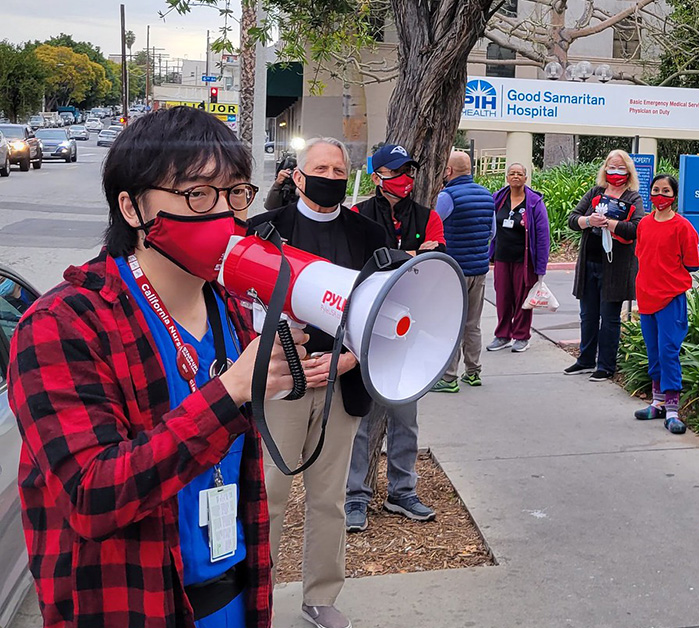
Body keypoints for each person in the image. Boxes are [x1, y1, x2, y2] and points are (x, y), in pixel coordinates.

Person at [10, 106, 299, 628]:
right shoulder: (62, 325)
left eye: (236, 194)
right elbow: (93, 494)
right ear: (131, 207)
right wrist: (230, 391)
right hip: (135, 605)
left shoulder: (229, 307)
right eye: (197, 195)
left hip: (236, 596)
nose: (225, 217)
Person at [246, 137, 390, 628]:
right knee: (269, 493)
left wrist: (349, 361)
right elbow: (240, 304)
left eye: (338, 168)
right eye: (320, 167)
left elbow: (388, 313)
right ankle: (254, 594)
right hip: (279, 386)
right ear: (299, 176)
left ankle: (320, 596)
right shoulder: (265, 230)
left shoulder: (370, 234)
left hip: (340, 386)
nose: (330, 175)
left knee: (328, 497)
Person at [344, 145, 443, 532]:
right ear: (376, 177)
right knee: (361, 419)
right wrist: (413, 253)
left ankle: (402, 492)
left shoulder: (427, 216)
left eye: (409, 172)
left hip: (409, 329)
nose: (406, 179)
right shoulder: (357, 216)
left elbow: (435, 266)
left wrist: (399, 255)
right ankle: (356, 496)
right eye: (397, 171)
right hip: (365, 329)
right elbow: (357, 266)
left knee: (406, 416)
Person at [564, 150, 645, 381]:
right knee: (587, 314)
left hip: (615, 268)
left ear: (628, 171)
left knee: (609, 318)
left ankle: (606, 365)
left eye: (620, 168)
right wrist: (588, 221)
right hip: (589, 264)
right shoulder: (595, 193)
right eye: (611, 167)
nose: (615, 172)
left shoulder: (633, 198)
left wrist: (610, 224)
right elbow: (573, 219)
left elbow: (637, 228)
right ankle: (585, 359)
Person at [632, 174, 699, 435]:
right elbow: (643, 256)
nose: (660, 196)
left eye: (666, 191)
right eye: (656, 190)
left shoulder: (683, 227)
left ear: (674, 196)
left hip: (670, 298)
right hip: (646, 296)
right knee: (654, 351)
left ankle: (672, 409)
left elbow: (691, 263)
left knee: (668, 351)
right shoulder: (644, 224)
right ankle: (657, 402)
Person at [430, 150, 493, 392]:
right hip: (479, 269)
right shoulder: (487, 196)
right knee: (473, 324)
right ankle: (474, 372)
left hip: (454, 271)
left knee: (451, 323)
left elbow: (433, 226)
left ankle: (448, 378)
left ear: (448, 171)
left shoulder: (447, 196)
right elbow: (491, 234)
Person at [487, 162, 550, 353]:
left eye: (519, 174)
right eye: (512, 173)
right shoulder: (498, 199)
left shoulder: (534, 203)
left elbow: (542, 235)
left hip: (524, 260)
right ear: (507, 177)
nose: (515, 176)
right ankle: (503, 335)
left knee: (523, 298)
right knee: (503, 297)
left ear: (525, 178)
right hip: (501, 258)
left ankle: (521, 336)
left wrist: (540, 267)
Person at [352, 143, 446, 254]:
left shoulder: (429, 217)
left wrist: (387, 257)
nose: (404, 177)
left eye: (407, 170)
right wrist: (416, 253)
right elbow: (355, 255)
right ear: (376, 178)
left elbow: (437, 254)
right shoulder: (359, 213)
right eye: (395, 171)